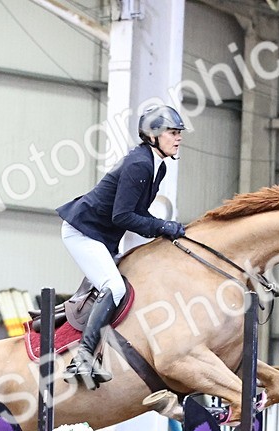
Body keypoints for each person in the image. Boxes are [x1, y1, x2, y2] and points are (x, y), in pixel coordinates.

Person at [55, 105, 189, 386]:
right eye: (173, 133)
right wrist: (162, 227)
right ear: (153, 135)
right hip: (83, 231)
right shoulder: (140, 164)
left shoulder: (157, 166)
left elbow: (139, 213)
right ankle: (83, 359)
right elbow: (123, 216)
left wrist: (165, 228)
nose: (178, 138)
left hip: (102, 236)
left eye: (179, 133)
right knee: (114, 288)